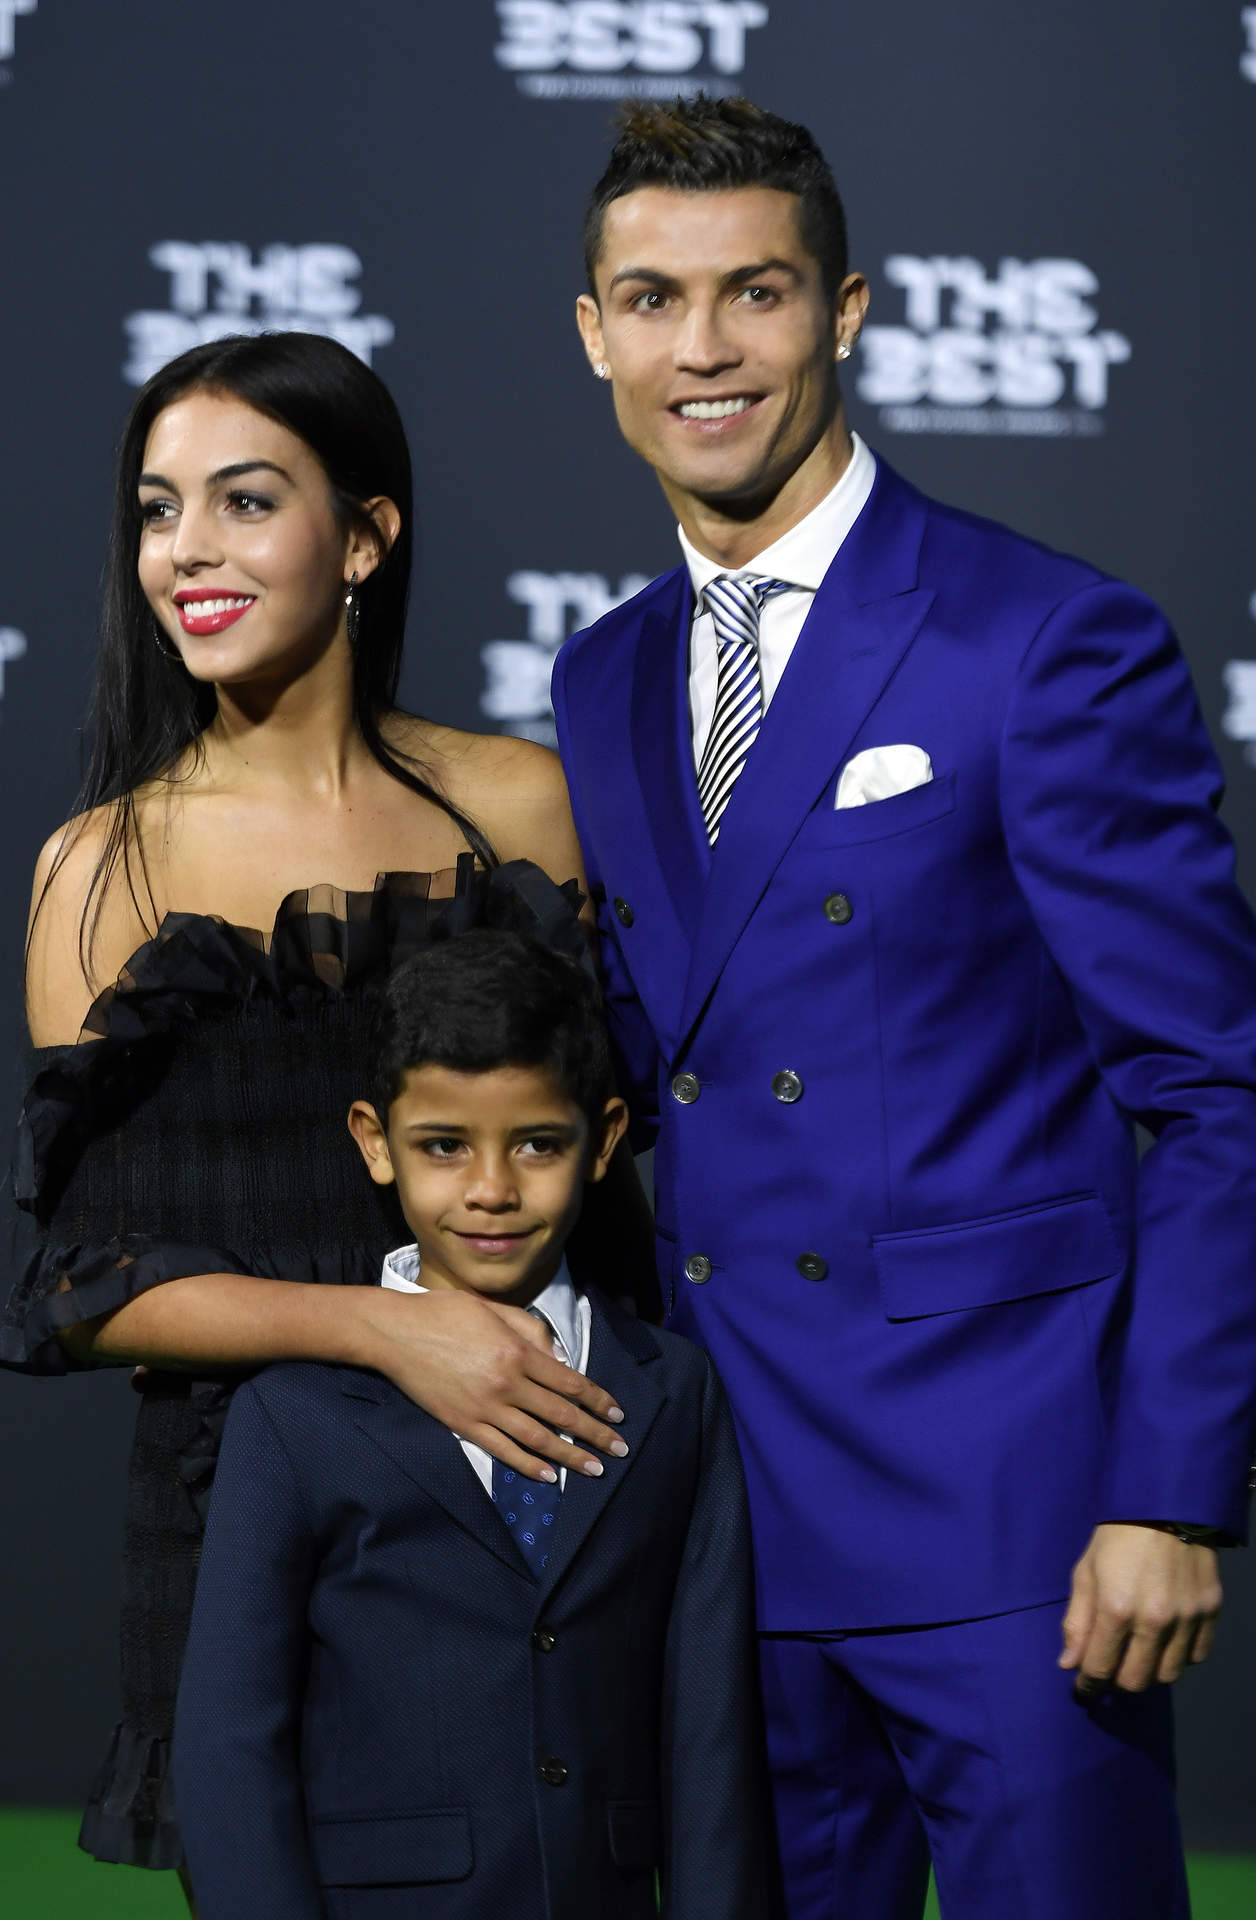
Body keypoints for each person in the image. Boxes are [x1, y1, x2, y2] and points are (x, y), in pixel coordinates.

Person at [551, 95, 1256, 1919]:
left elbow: (1214, 1090)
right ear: (594, 336)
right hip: (724, 1522)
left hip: (1018, 1529)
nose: (704, 350)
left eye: (757, 292)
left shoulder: (1040, 638)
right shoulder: (604, 676)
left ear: (847, 311)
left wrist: (1169, 1490)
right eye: (653, 300)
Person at [4, 332, 649, 1883]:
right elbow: (87, 1289)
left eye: (244, 501)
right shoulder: (100, 869)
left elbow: (615, 1175)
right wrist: (392, 1328)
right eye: (158, 511)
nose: (187, 551)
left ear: (364, 537)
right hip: (254, 1529)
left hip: (540, 1487)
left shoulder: (518, 804)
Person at [171, 927, 768, 1920]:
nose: (492, 1190)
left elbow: (711, 1728)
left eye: (538, 1143)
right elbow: (229, 1742)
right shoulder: (292, 1412)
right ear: (375, 1141)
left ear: (604, 1140)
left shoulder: (675, 1391)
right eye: (444, 1146)